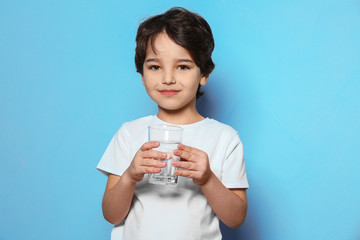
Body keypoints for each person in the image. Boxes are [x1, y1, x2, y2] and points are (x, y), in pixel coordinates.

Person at [97, 7, 249, 240]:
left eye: (183, 66)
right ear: (142, 74)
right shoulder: (129, 133)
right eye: (155, 66)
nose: (168, 78)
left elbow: (236, 218)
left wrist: (208, 178)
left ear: (204, 74)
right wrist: (129, 176)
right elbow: (111, 215)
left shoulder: (224, 138)